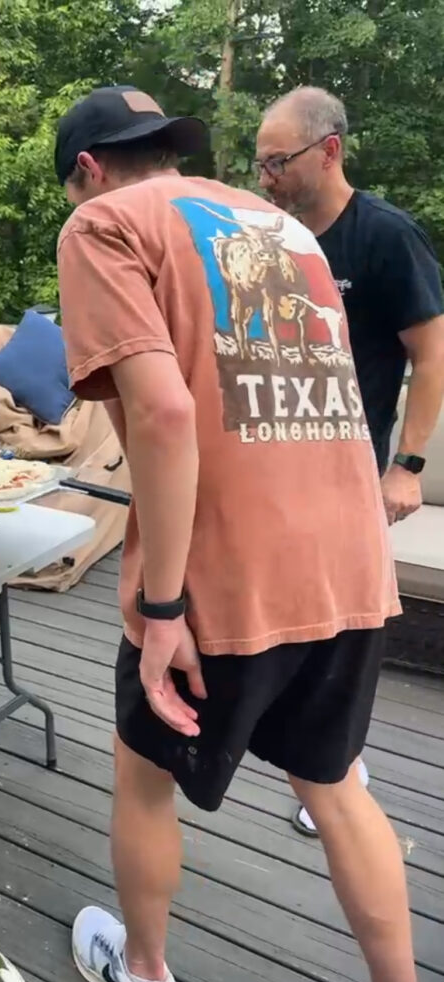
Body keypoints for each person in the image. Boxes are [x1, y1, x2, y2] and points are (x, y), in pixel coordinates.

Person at [54, 85, 427, 982]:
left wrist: (164, 605)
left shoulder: (102, 224)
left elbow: (166, 412)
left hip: (225, 572)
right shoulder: (274, 221)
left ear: (88, 171)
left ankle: (142, 976)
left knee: (143, 777)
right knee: (336, 786)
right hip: (346, 560)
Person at [256, 86, 444, 839]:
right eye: (259, 162)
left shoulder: (384, 237)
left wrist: (406, 466)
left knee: (337, 628)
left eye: (278, 161)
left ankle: (338, 771)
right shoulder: (272, 236)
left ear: (327, 150)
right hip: (276, 467)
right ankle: (308, 755)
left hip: (350, 473)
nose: (265, 176)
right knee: (288, 615)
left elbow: (430, 358)